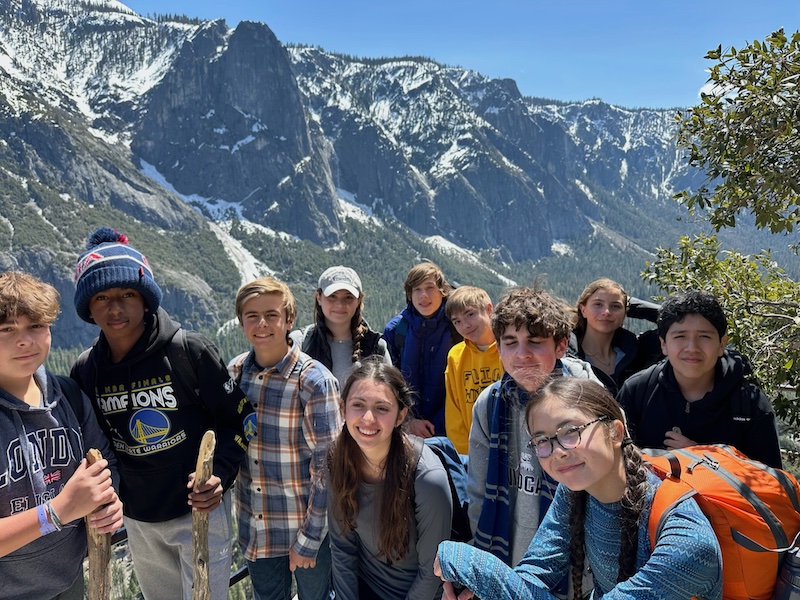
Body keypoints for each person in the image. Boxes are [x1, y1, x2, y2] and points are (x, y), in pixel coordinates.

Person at [70, 228, 254, 600]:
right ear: (88, 307)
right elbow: (92, 444)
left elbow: (239, 420)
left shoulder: (188, 352)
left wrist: (219, 475)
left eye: (127, 294)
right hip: (138, 519)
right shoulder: (87, 370)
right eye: (101, 296)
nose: (115, 307)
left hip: (199, 511)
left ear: (146, 299)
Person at [434, 378, 723, 600]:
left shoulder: (687, 541)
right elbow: (535, 574)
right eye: (542, 441)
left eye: (570, 432)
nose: (556, 451)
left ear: (615, 432)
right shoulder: (575, 492)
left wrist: (463, 561)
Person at [0, 271, 123, 600]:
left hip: (68, 581)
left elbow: (104, 461)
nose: (24, 340)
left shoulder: (67, 395)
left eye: (35, 326)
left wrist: (108, 501)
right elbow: (63, 508)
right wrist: (56, 512)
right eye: (7, 330)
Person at [468, 286, 601, 570]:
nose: (521, 354)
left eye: (535, 341)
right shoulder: (490, 405)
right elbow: (479, 493)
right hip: (511, 554)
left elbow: (611, 485)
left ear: (561, 345)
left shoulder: (589, 401)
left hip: (581, 563)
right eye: (510, 342)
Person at [229, 276, 342, 600]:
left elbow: (327, 471)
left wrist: (308, 541)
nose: (261, 324)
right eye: (252, 315)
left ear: (289, 320)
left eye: (271, 315)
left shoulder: (314, 382)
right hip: (257, 529)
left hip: (307, 532)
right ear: (241, 322)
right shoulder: (234, 375)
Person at [327, 358, 452, 599]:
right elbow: (343, 549)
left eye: (382, 408)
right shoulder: (338, 461)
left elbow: (431, 573)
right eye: (358, 405)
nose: (368, 418)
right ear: (343, 410)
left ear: (400, 416)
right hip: (367, 588)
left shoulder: (427, 479)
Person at [617, 290, 782, 468]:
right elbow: (615, 465)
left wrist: (703, 458)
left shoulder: (750, 404)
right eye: (680, 336)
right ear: (663, 344)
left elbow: (769, 482)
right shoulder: (637, 390)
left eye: (704, 336)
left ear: (721, 344)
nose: (692, 347)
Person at [383, 262, 462, 438]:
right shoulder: (396, 331)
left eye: (430, 288)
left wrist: (437, 425)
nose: (423, 295)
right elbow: (386, 383)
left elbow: (465, 383)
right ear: (409, 295)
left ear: (443, 291)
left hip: (452, 430)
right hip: (406, 431)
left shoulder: (458, 327)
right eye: (417, 289)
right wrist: (408, 420)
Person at [290, 265, 391, 387]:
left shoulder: (376, 347)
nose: (340, 305)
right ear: (319, 298)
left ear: (358, 300)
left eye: (348, 297)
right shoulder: (300, 343)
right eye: (332, 296)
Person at [444, 286, 503, 456]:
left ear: (489, 309)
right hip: (473, 452)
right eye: (457, 322)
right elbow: (454, 412)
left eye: (470, 314)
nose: (466, 325)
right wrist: (464, 455)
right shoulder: (455, 355)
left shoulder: (509, 349)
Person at [567, 278, 652, 395]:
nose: (606, 312)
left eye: (615, 306)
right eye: (598, 304)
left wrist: (633, 305)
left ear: (625, 312)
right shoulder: (567, 358)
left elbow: (674, 318)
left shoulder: (637, 354)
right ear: (583, 310)